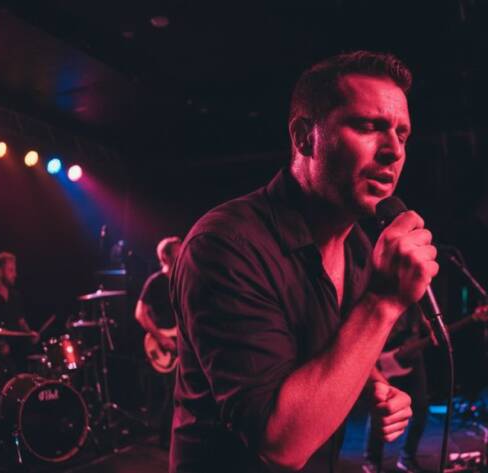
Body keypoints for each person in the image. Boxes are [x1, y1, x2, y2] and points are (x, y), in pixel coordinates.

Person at [170, 51, 437, 472]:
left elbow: (321, 347)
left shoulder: (357, 249)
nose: (393, 151)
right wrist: (383, 302)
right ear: (304, 137)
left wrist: (374, 386)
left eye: (402, 134)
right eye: (369, 127)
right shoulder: (225, 245)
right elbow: (278, 445)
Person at [364, 305, 430, 473]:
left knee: (421, 408)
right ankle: (372, 459)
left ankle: (408, 457)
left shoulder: (419, 300)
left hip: (414, 360)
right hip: (385, 359)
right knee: (382, 407)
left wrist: (430, 330)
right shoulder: (386, 293)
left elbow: (423, 325)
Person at [135, 236, 182, 449]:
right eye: (178, 251)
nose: (183, 255)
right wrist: (161, 337)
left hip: (181, 343)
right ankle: (166, 438)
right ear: (166, 256)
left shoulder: (182, 281)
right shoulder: (155, 281)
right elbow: (140, 313)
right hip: (164, 343)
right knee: (172, 393)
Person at [0, 252, 39, 371]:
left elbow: (22, 322)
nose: (15, 274)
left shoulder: (16, 296)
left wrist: (30, 333)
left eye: (14, 270)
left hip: (18, 354)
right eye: (11, 270)